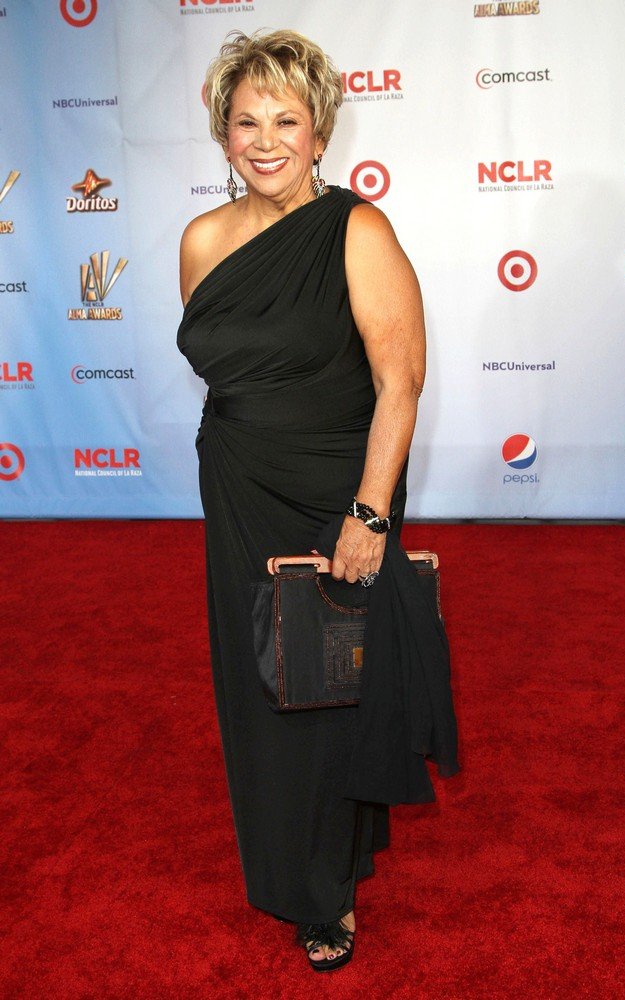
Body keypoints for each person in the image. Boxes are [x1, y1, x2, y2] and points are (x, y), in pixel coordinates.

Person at [177, 29, 459, 971]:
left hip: (337, 489)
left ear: (319, 132)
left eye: (285, 121)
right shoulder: (202, 241)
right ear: (223, 134)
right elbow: (225, 368)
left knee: (329, 687)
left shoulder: (356, 230)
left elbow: (399, 380)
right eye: (245, 121)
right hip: (239, 485)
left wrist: (370, 514)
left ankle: (326, 890)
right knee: (260, 685)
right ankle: (283, 861)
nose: (265, 141)